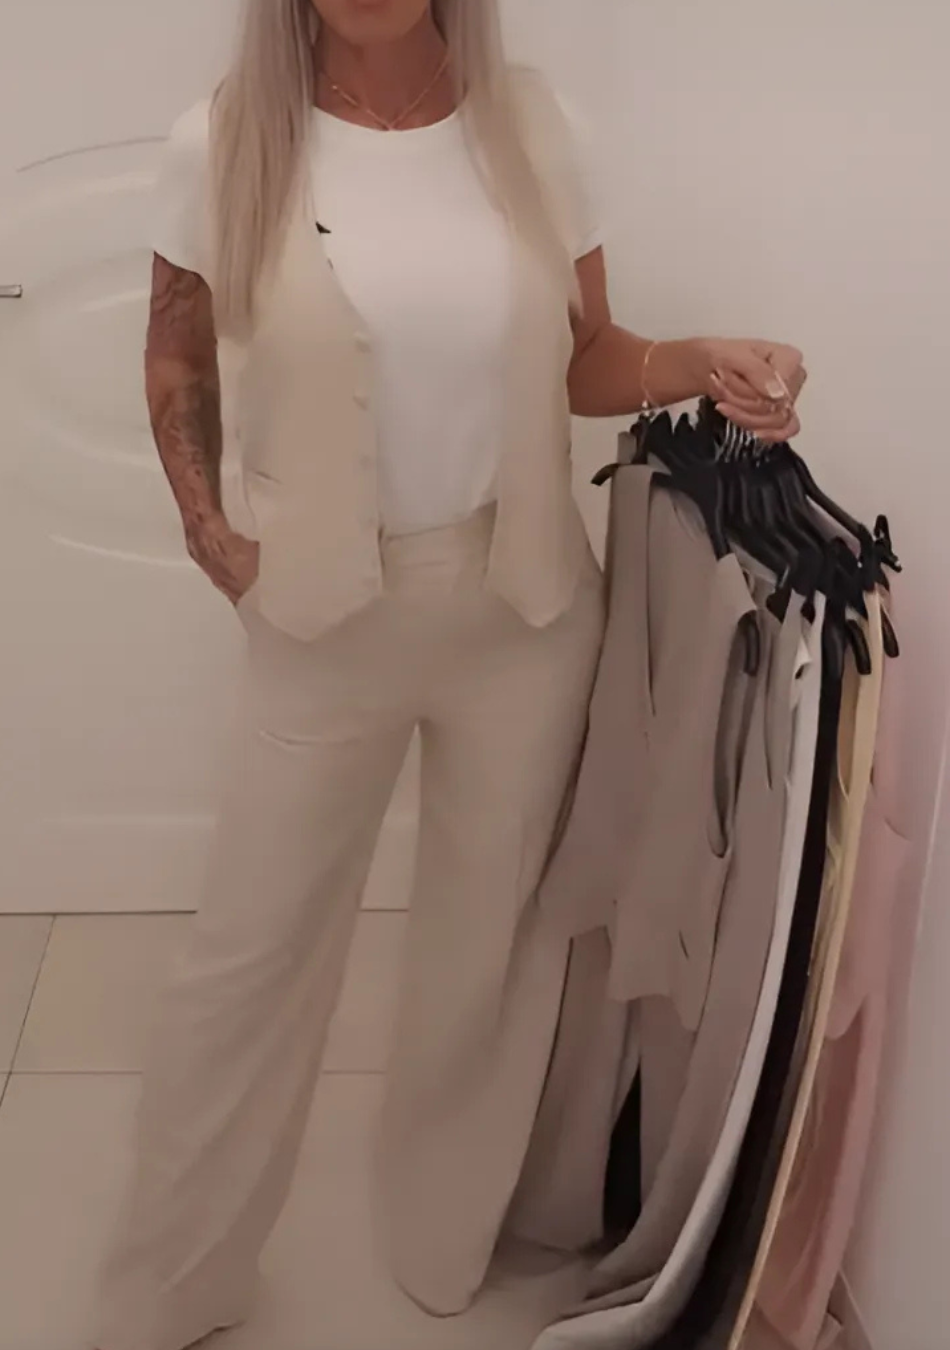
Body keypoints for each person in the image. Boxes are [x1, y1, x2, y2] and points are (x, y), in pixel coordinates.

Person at [95, 2, 806, 1347]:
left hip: (520, 607)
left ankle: (442, 1232)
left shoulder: (534, 128)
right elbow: (176, 341)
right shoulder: (225, 142)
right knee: (246, 963)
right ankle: (169, 1284)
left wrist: (698, 360)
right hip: (321, 617)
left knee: (488, 952)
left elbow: (588, 355)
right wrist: (206, 527)